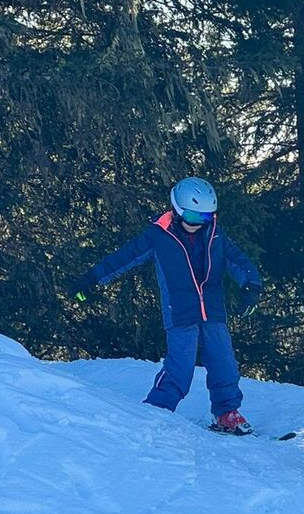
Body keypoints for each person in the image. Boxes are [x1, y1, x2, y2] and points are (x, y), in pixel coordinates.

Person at [74, 177, 262, 434]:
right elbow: (124, 257)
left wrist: (251, 285)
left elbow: (239, 261)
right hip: (179, 311)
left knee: (224, 362)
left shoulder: (215, 233)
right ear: (177, 209)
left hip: (213, 310)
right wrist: (91, 280)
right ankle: (157, 410)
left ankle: (227, 412)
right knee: (180, 367)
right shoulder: (159, 235)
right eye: (193, 216)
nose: (199, 223)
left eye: (206, 217)